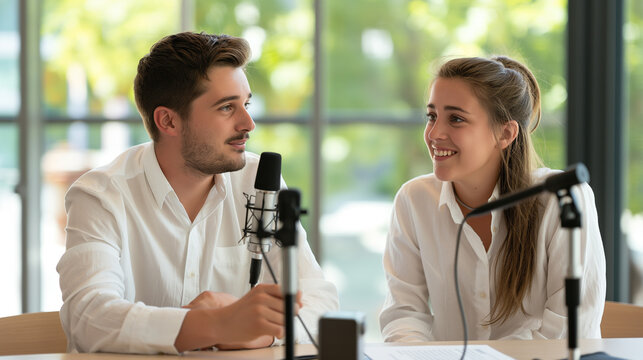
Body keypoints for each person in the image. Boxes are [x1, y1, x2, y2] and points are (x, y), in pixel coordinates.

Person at [57, 32, 338, 354]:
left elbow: (319, 299)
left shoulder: (257, 181)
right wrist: (219, 324)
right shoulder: (101, 196)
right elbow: (89, 318)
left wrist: (256, 333)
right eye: (226, 108)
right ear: (168, 121)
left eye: (246, 104)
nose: (248, 123)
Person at [379, 56, 606, 342]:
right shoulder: (414, 201)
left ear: (506, 133)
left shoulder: (562, 200)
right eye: (432, 116)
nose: (434, 134)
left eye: (456, 119)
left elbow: (569, 331)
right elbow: (404, 314)